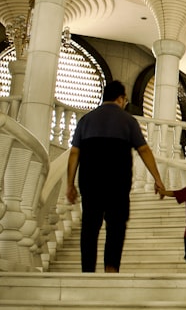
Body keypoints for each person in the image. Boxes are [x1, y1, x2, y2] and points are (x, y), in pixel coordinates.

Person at [66, 80, 165, 273]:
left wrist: (70, 184)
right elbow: (143, 149)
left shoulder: (86, 120)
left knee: (89, 227)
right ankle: (111, 269)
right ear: (120, 98)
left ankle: (87, 270)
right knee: (116, 226)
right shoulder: (128, 121)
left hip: (90, 182)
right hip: (117, 183)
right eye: (125, 100)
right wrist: (157, 178)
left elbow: (74, 153)